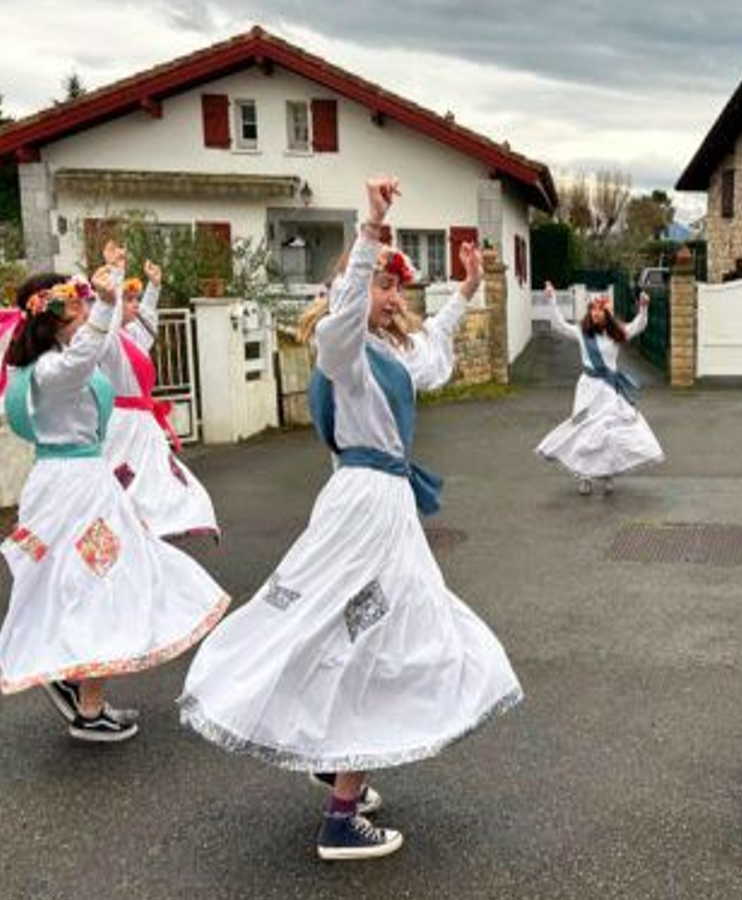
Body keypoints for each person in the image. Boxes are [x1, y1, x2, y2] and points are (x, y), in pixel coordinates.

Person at [178, 177, 521, 861]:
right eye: (380, 284)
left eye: (395, 285)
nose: (392, 294)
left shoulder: (387, 355)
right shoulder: (346, 356)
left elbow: (433, 356)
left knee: (358, 624)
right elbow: (341, 326)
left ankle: (335, 763)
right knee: (378, 633)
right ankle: (340, 810)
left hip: (378, 502)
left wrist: (469, 288)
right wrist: (369, 228)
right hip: (366, 505)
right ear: (347, 292)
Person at [1, 251, 228, 742]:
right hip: (77, 487)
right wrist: (105, 304)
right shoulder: (50, 372)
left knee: (82, 581)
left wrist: (109, 299)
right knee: (96, 583)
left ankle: (79, 687)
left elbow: (96, 351)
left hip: (72, 483)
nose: (84, 309)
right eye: (77, 304)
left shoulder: (38, 371)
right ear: (55, 316)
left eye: (85, 302)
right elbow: (86, 354)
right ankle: (87, 702)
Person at [95, 252, 219, 538]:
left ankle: (156, 524)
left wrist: (154, 287)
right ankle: (127, 526)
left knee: (156, 476)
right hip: (122, 422)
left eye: (135, 300)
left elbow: (147, 327)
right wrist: (116, 273)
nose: (135, 306)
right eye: (129, 300)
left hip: (142, 421)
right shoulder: (110, 342)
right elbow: (110, 320)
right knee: (124, 478)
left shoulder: (131, 337)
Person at [536, 282, 664, 494]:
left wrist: (643, 307)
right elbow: (558, 324)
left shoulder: (617, 334)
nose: (596, 313)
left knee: (608, 433)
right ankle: (585, 477)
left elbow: (638, 325)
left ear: (607, 313)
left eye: (600, 310)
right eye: (593, 309)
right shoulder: (581, 332)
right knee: (585, 431)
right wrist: (551, 299)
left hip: (609, 390)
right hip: (587, 389)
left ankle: (607, 475)